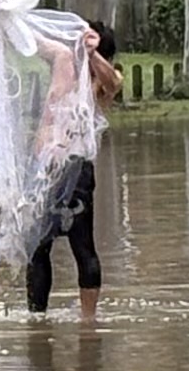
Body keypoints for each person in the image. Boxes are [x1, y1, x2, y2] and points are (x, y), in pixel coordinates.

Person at [25, 19, 121, 314]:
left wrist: (92, 55)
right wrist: (7, 9)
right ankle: (36, 317)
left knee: (82, 245)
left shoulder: (99, 81)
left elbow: (114, 83)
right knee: (37, 247)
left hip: (76, 169)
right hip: (44, 169)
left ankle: (88, 322)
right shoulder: (62, 61)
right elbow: (31, 40)